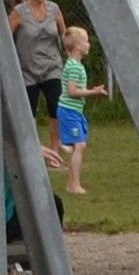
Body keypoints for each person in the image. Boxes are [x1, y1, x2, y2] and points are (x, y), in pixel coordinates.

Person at [49, 22, 96, 201]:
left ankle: (72, 183)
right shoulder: (74, 67)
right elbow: (72, 91)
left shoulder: (75, 65)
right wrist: (93, 92)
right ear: (77, 46)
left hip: (74, 111)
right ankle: (74, 184)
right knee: (79, 146)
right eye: (86, 41)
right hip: (69, 111)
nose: (88, 44)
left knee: (79, 146)